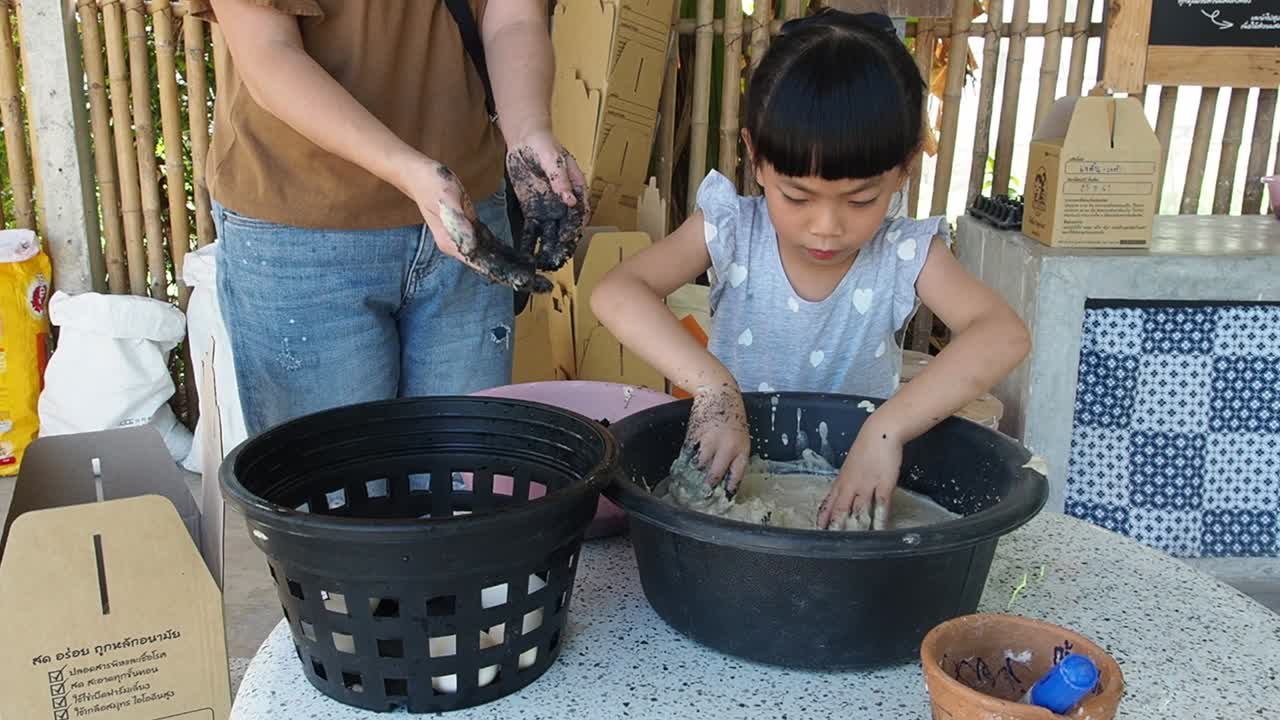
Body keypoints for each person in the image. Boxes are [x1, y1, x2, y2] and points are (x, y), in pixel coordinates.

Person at [590, 9, 1030, 530]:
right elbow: (617, 292)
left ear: (904, 169)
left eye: (860, 200)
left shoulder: (904, 253)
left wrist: (886, 431)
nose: (826, 227)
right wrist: (714, 388)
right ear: (756, 158)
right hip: (732, 496)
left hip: (856, 484)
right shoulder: (733, 230)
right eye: (797, 197)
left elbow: (1003, 335)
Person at [192, 0, 587, 436]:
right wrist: (409, 172)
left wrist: (529, 132)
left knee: (463, 471)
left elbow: (512, 17)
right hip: (302, 225)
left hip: (469, 208)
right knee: (336, 473)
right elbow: (268, 51)